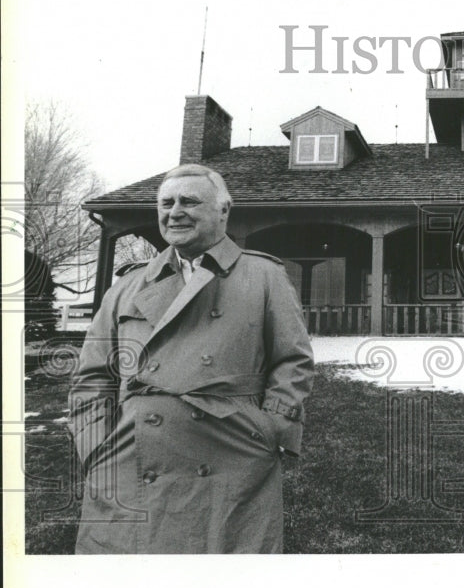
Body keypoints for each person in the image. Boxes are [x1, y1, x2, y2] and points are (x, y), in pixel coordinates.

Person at [69, 164, 314, 553]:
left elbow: (293, 361)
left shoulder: (263, 275)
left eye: (189, 201)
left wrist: (273, 428)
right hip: (132, 453)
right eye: (166, 203)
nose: (175, 212)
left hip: (231, 452)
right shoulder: (129, 286)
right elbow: (94, 374)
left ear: (223, 211)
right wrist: (95, 445)